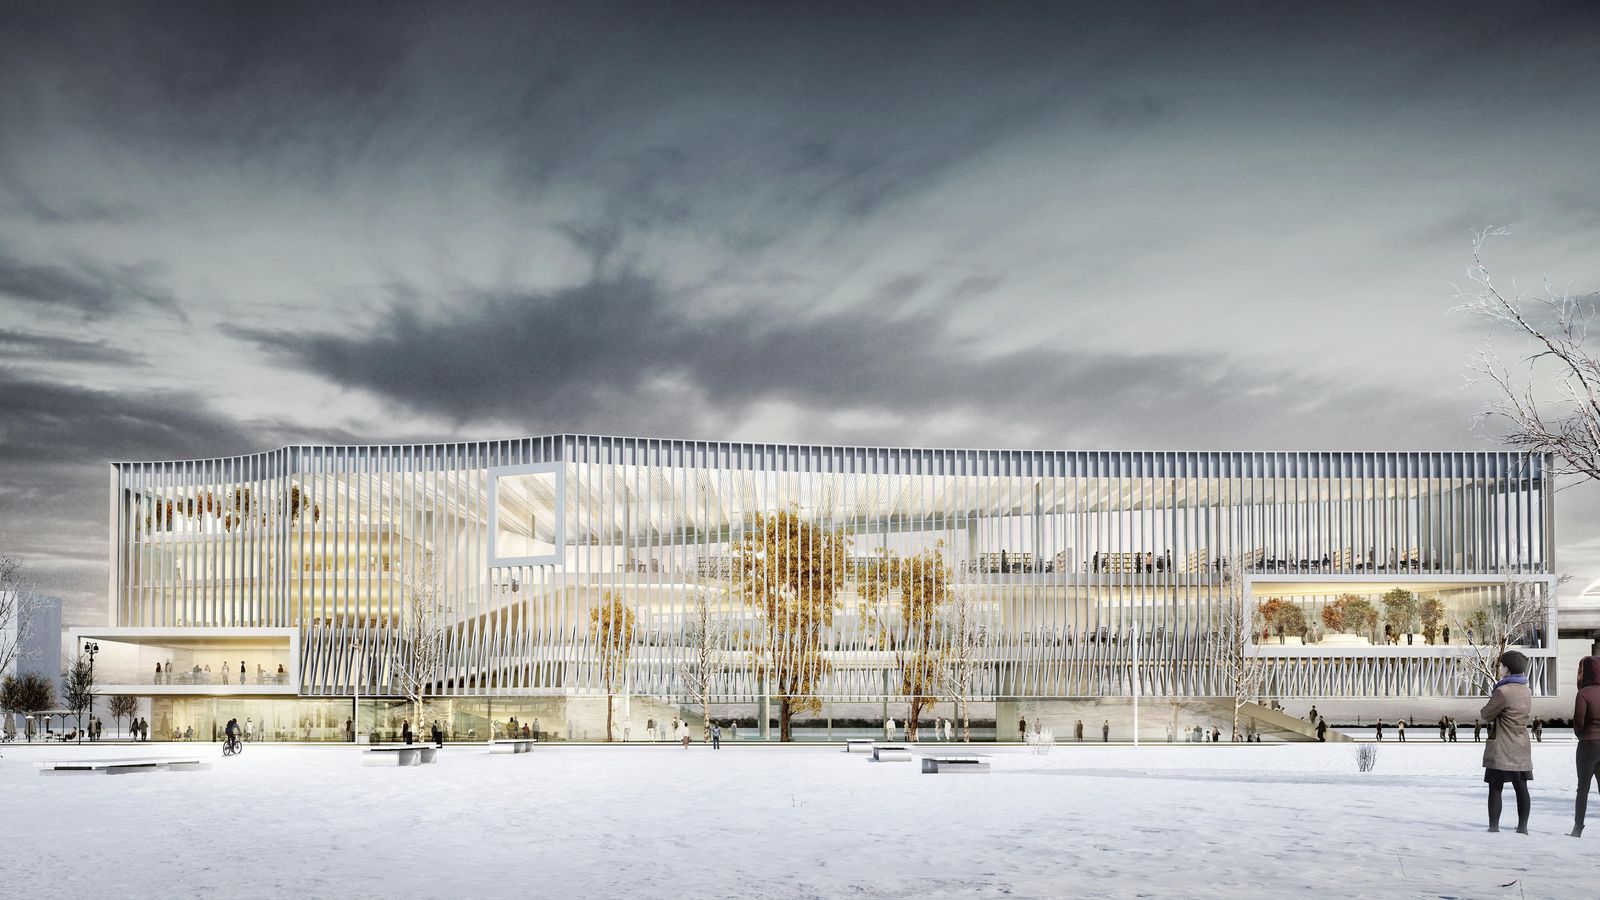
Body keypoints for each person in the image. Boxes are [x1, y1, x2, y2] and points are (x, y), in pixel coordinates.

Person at [1481, 650, 1534, 834]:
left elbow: (1486, 714)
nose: (1500, 668)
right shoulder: (1527, 690)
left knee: (1495, 786)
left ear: (1508, 668)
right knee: (1521, 787)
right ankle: (1523, 827)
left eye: (1501, 665)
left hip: (1502, 746)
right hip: (1521, 745)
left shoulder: (1502, 691)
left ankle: (1494, 826)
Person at [1570, 655, 1600, 837]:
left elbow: (1578, 721)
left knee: (1583, 788)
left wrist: (1580, 734)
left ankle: (1578, 828)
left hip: (1587, 745)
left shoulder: (1583, 694)